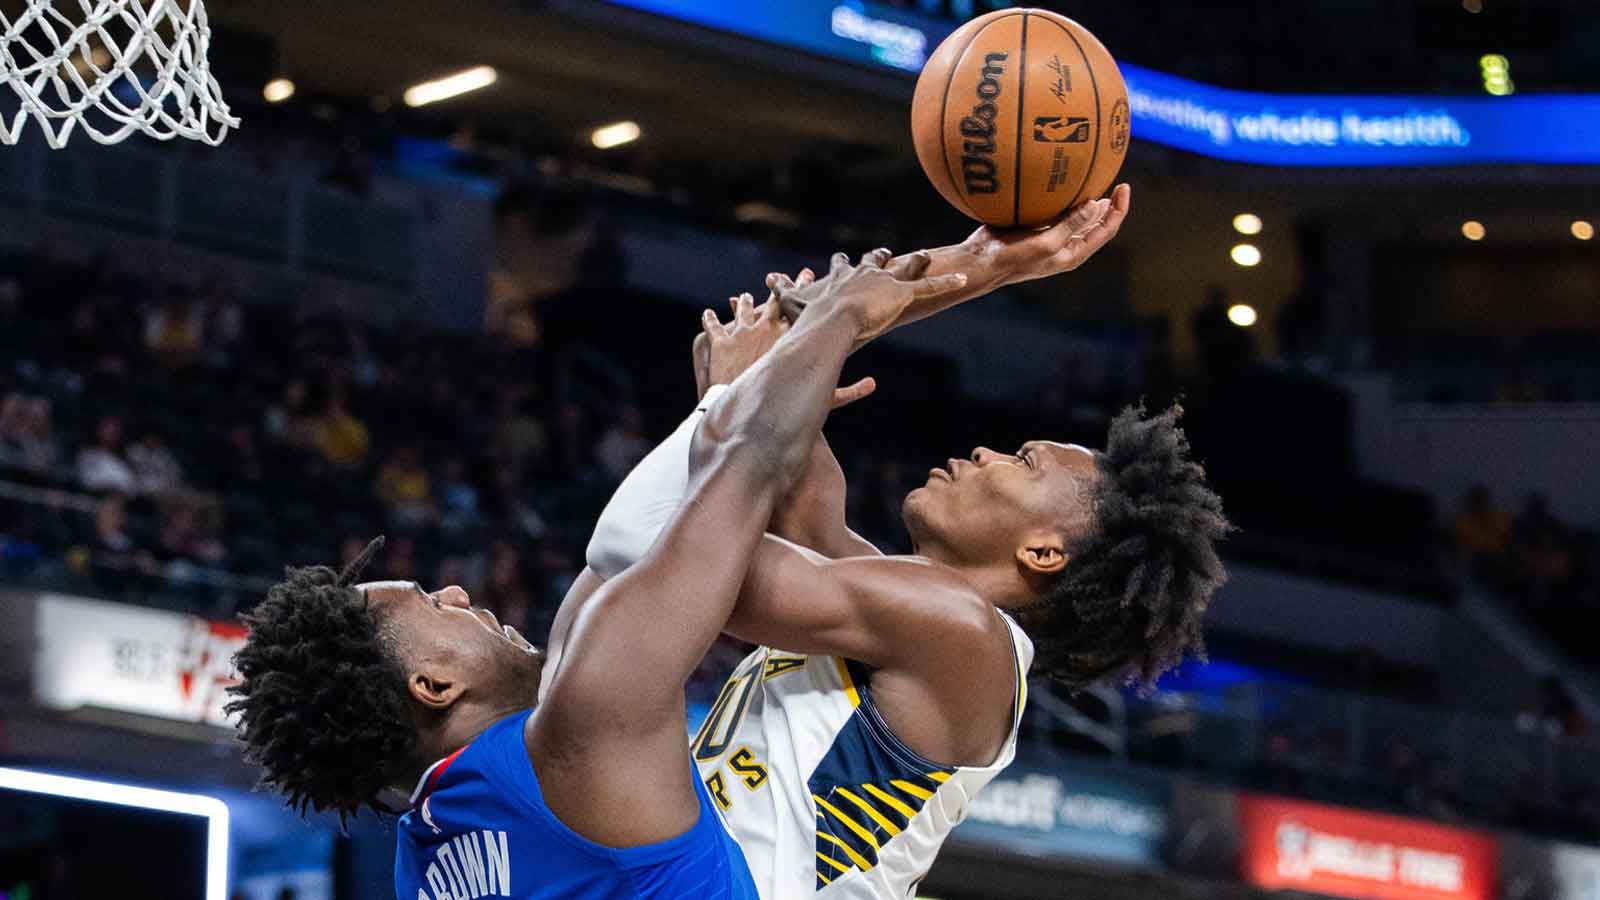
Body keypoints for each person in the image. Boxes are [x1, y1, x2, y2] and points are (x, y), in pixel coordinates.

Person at [225, 251, 969, 899]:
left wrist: (731, 399)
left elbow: (617, 556)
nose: (455, 593)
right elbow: (751, 470)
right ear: (433, 686)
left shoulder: (426, 860)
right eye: (429, 603)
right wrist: (834, 322)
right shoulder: (579, 735)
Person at [557, 186, 1229, 897]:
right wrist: (979, 263)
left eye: (1023, 463)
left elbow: (656, 554)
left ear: (1043, 553)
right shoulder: (890, 599)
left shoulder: (963, 635)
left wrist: (727, 404)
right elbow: (805, 328)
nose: (984, 453)